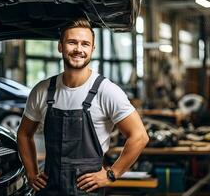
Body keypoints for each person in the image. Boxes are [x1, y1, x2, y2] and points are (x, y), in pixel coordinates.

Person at [17, 18, 149, 196]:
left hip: (87, 189)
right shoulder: (42, 90)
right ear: (60, 46)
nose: (78, 49)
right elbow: (24, 134)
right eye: (72, 42)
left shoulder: (106, 91)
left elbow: (139, 136)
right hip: (49, 187)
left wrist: (111, 174)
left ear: (92, 49)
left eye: (85, 44)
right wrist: (31, 173)